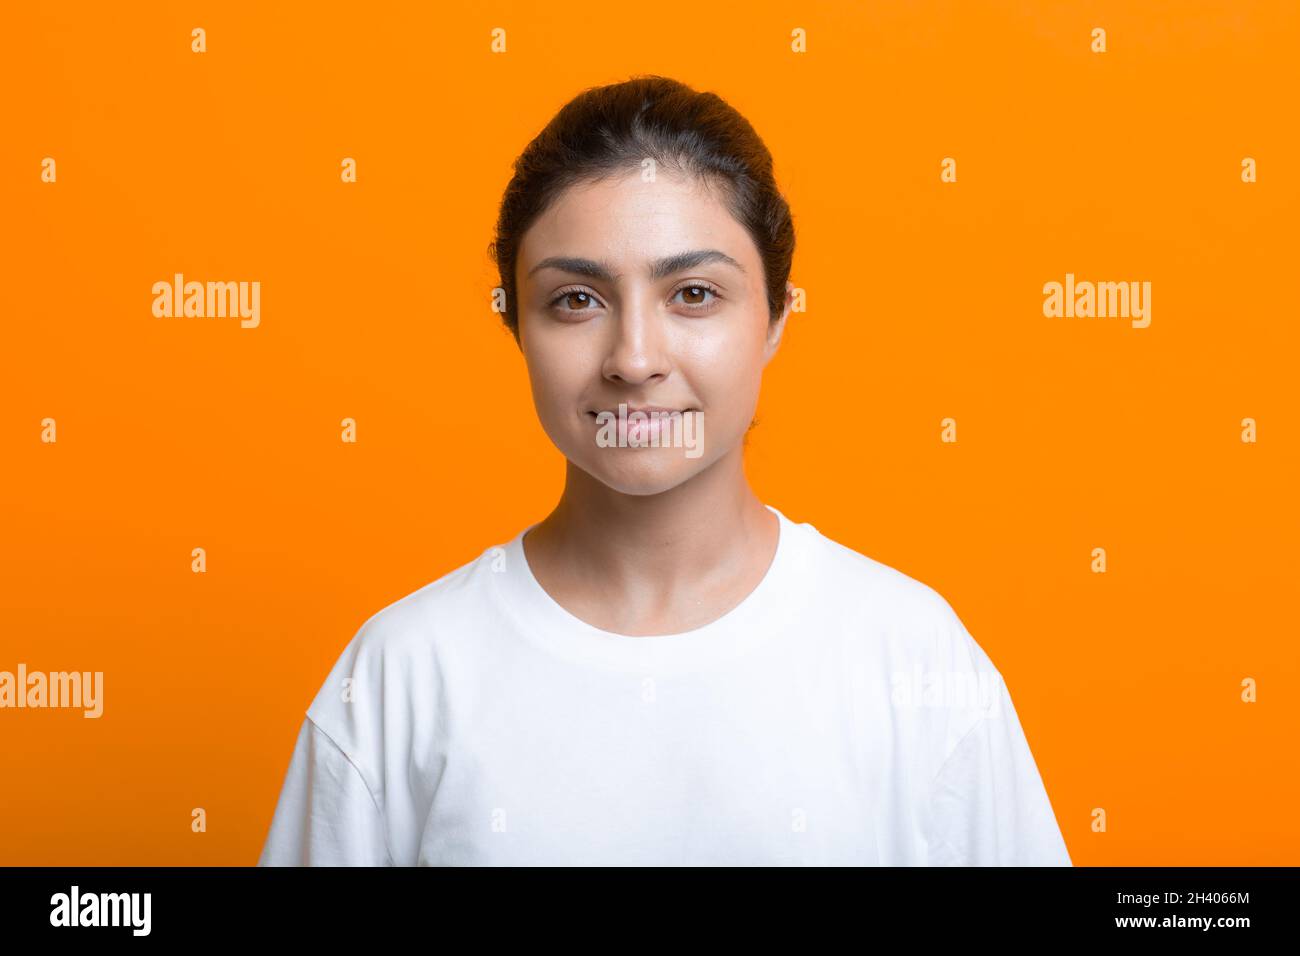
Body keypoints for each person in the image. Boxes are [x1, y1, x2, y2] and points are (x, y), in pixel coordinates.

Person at [257, 75, 1071, 867]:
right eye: (576, 299)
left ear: (777, 317)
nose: (635, 358)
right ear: (517, 326)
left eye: (692, 293)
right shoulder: (402, 675)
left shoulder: (913, 661)